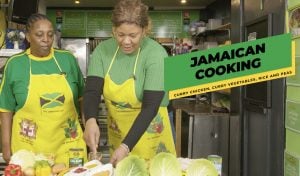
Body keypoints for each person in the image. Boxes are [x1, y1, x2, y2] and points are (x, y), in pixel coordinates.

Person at [83, 0, 176, 166]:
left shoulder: (156, 54)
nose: (126, 41)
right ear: (113, 30)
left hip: (151, 134)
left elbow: (150, 107)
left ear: (145, 30)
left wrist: (126, 147)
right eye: (120, 34)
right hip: (119, 133)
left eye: (133, 35)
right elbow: (92, 91)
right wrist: (90, 120)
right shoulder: (102, 51)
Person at [0, 13, 87, 165]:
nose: (46, 40)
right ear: (28, 36)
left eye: (50, 34)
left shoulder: (67, 60)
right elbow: (6, 109)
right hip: (29, 150)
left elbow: (83, 99)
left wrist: (89, 131)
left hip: (68, 146)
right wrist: (6, 147)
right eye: (39, 35)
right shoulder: (15, 64)